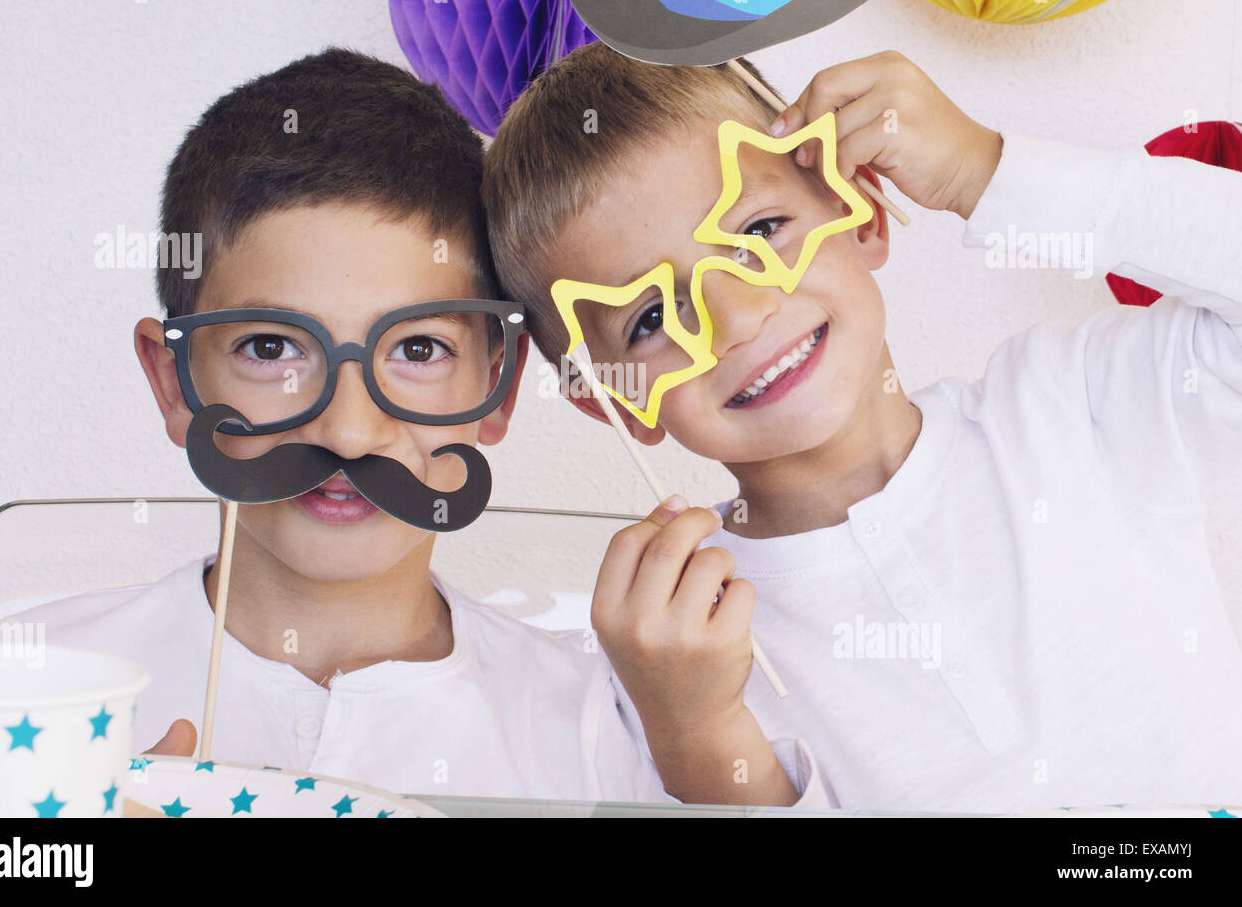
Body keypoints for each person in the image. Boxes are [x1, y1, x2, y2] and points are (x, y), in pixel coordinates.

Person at [3, 48, 807, 805]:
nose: (350, 432)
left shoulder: (616, 726)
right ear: (172, 379)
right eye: (271, 348)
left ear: (498, 382)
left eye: (418, 349)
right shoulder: (15, 688)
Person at [481, 43, 1242, 811]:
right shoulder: (677, 651)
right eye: (650, 317)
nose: (737, 318)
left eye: (760, 231)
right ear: (610, 396)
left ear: (866, 212)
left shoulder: (1073, 405)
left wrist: (986, 169)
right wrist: (698, 737)